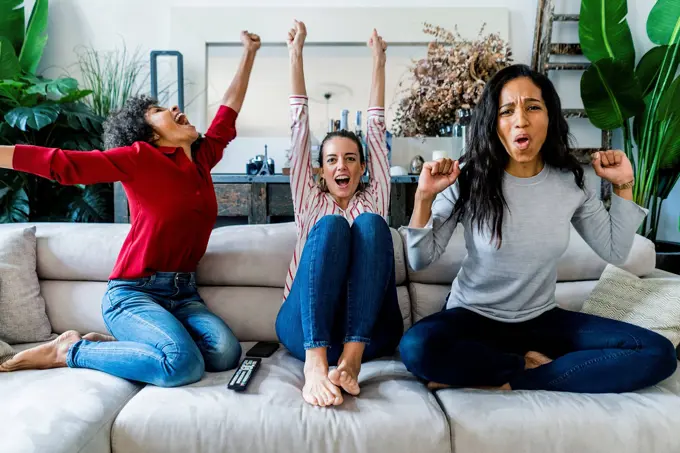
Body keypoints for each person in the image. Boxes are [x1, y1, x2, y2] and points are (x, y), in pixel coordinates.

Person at [0, 32, 262, 388]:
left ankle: (135, 346)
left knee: (225, 354)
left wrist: (249, 52)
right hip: (134, 293)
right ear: (149, 134)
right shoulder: (140, 159)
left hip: (183, 293)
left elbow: (228, 111)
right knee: (182, 366)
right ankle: (69, 352)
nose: (173, 108)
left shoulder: (201, 159)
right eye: (158, 111)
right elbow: (65, 164)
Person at [398, 63, 677, 393]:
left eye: (533, 107)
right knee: (416, 348)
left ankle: (511, 376)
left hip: (541, 321)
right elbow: (419, 260)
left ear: (550, 117)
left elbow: (614, 250)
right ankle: (518, 363)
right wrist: (424, 198)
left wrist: (623, 186)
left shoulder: (570, 182)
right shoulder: (469, 178)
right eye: (507, 111)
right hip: (472, 316)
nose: (521, 119)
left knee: (658, 353)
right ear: (494, 123)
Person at [275, 21, 403, 407]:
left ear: (363, 168)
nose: (341, 166)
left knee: (370, 225)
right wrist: (295, 55)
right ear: (320, 170)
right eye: (331, 160)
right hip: (304, 328)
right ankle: (316, 365)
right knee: (331, 226)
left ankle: (350, 361)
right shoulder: (310, 201)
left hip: (367, 332)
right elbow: (299, 132)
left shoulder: (375, 196)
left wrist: (379, 62)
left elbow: (376, 130)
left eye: (350, 158)